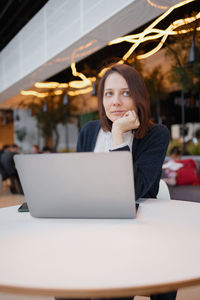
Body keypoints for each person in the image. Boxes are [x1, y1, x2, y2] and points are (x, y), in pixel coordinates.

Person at [56, 64, 176, 300]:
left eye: (126, 93)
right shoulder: (89, 130)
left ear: (138, 97)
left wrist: (119, 134)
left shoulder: (156, 134)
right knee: (64, 283)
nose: (115, 102)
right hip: (92, 227)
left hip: (135, 233)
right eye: (109, 94)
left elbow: (131, 191)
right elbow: (81, 183)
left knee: (111, 291)